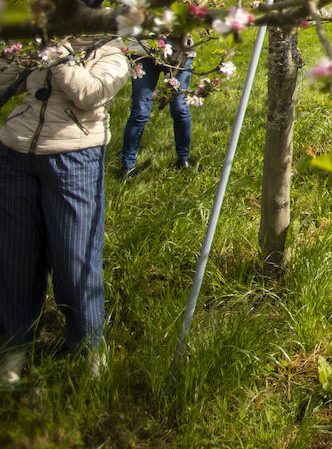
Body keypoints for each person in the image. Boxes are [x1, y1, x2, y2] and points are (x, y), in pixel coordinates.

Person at [1, 30, 130, 386]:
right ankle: (15, 347)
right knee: (16, 259)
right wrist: (20, 54)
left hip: (74, 158)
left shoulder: (114, 50)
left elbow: (91, 94)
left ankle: (88, 350)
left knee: (75, 258)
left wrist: (58, 57)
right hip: (16, 154)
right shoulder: (38, 41)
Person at [119, 33, 194, 178]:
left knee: (179, 107)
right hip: (143, 50)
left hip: (178, 50)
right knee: (140, 110)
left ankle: (183, 158)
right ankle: (127, 165)